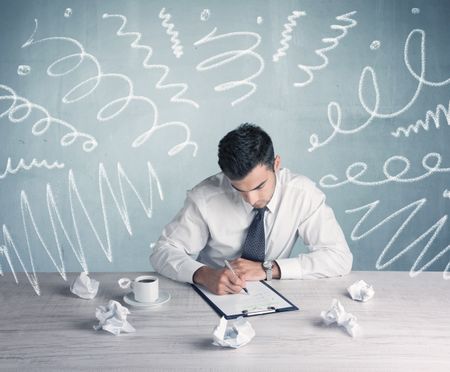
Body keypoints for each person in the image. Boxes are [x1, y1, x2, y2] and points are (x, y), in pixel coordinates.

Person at [150, 124, 352, 295]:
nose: (251, 199)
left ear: (277, 164)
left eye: (259, 186)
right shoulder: (205, 197)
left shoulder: (302, 194)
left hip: (276, 294)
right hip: (214, 295)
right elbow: (163, 252)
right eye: (239, 189)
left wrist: (269, 269)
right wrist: (203, 274)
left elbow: (339, 257)